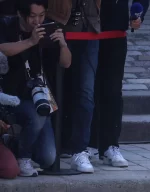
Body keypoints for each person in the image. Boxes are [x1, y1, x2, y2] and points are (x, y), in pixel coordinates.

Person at [0, 0, 71, 177]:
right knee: (37, 115)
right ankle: (23, 158)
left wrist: (63, 45)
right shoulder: (7, 25)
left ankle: (14, 144)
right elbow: (4, 50)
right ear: (20, 14)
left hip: (37, 96)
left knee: (47, 158)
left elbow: (66, 63)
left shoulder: (47, 30)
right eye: (33, 16)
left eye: (42, 15)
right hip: (9, 96)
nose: (38, 21)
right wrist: (31, 41)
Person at [92, 0, 148, 167]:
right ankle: (84, 145)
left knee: (113, 91)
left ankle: (110, 145)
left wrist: (138, 15)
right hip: (84, 26)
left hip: (115, 29)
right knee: (86, 89)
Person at [48, 0, 100, 173]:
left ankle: (79, 150)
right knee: (52, 89)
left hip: (89, 28)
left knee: (86, 92)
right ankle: (52, 146)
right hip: (57, 25)